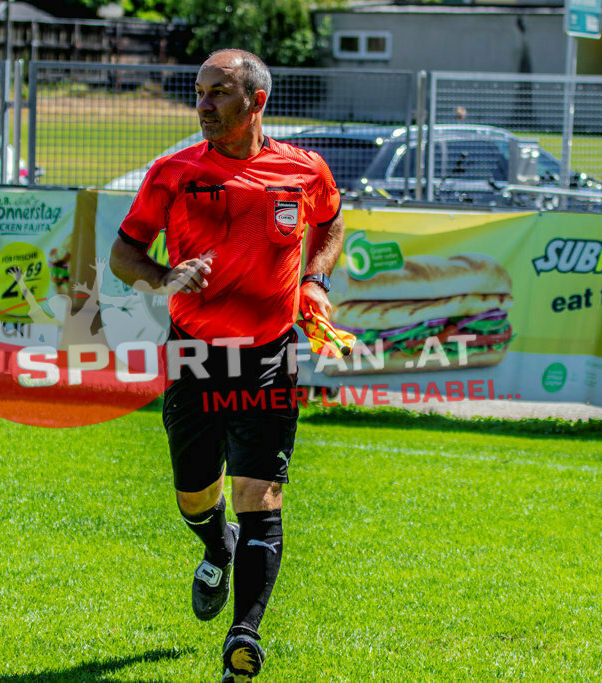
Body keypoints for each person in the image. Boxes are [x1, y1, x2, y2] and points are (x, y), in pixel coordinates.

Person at [108, 49, 344, 681]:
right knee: (195, 499)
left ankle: (243, 640)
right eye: (200, 92)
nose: (203, 105)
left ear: (256, 102)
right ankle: (217, 545)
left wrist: (315, 281)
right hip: (193, 355)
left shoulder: (302, 170)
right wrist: (164, 276)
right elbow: (123, 256)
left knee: (261, 497)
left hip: (270, 357)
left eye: (218, 93)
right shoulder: (173, 172)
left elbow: (331, 220)